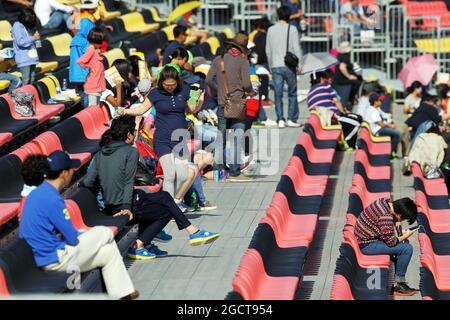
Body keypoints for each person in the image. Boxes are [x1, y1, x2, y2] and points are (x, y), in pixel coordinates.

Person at [82, 116, 220, 258]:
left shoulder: (100, 153)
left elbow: (87, 181)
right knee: (167, 210)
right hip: (123, 204)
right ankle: (139, 245)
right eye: (134, 132)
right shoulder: (130, 151)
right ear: (128, 135)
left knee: (164, 197)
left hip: (112, 204)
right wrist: (126, 208)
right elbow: (129, 181)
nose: (135, 135)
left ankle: (192, 232)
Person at [19, 150, 139, 300]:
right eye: (71, 169)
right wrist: (88, 235)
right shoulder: (51, 197)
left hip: (46, 255)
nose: (73, 172)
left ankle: (123, 294)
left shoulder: (39, 192)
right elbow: (72, 238)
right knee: (105, 233)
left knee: (107, 252)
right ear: (63, 173)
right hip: (54, 259)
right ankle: (121, 292)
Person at [119, 66, 204, 211]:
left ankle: (174, 201)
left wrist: (200, 100)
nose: (169, 88)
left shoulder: (184, 91)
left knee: (183, 175)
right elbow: (141, 110)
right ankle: (168, 208)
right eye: (166, 85)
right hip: (163, 139)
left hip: (180, 138)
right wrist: (125, 110)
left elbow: (191, 110)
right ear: (161, 82)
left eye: (172, 85)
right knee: (170, 174)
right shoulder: (155, 93)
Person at [206, 33, 256, 181]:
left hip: (222, 103)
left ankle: (218, 171)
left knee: (221, 137)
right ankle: (234, 172)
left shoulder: (218, 60)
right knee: (236, 137)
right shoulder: (243, 61)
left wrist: (219, 91)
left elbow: (209, 80)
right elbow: (247, 84)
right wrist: (251, 92)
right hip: (238, 104)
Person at [355, 197, 418, 296]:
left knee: (403, 245)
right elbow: (392, 242)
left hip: (366, 238)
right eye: (403, 218)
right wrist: (406, 235)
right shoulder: (386, 217)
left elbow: (394, 223)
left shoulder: (385, 202)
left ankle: (397, 280)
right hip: (367, 245)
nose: (402, 220)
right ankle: (399, 285)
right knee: (407, 249)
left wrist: (399, 230)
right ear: (399, 214)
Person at [266, 5, 302, 128]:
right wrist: (300, 63)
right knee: (292, 92)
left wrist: (270, 64)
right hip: (289, 65)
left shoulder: (271, 29)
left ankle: (280, 118)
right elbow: (296, 47)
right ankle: (291, 118)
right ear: (288, 16)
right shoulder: (292, 29)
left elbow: (268, 50)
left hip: (276, 65)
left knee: (278, 93)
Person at [307, 69, 361, 149]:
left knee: (354, 118)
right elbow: (337, 101)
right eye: (328, 77)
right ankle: (346, 143)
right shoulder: (326, 86)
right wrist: (342, 112)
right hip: (334, 117)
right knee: (357, 123)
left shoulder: (310, 92)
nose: (330, 79)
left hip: (324, 119)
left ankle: (349, 142)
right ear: (322, 78)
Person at [69, 0, 99, 106]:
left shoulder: (74, 41)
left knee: (82, 96)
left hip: (76, 75)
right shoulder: (86, 43)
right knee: (87, 98)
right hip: (84, 75)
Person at [364, 93, 401, 159]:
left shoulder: (370, 109)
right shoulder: (374, 111)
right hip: (377, 131)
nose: (381, 102)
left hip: (375, 130)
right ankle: (390, 154)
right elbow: (381, 124)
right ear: (375, 102)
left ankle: (391, 153)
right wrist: (391, 126)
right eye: (379, 100)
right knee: (397, 134)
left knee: (394, 133)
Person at [76, 28, 106, 107]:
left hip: (97, 85)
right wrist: (89, 66)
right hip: (93, 86)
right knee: (92, 108)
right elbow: (80, 61)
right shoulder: (91, 50)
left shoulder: (94, 50)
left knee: (96, 107)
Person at [11, 9, 40, 85]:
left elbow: (34, 40)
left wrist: (36, 39)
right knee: (26, 80)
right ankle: (24, 96)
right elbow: (21, 42)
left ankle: (31, 96)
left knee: (32, 79)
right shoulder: (17, 26)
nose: (32, 20)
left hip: (32, 57)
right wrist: (33, 37)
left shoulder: (28, 26)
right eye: (30, 18)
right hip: (24, 59)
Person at [332, 41, 362, 110]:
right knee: (358, 83)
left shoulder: (340, 56)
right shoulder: (344, 57)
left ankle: (353, 99)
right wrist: (349, 76)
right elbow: (342, 68)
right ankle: (352, 99)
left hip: (339, 80)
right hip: (342, 80)